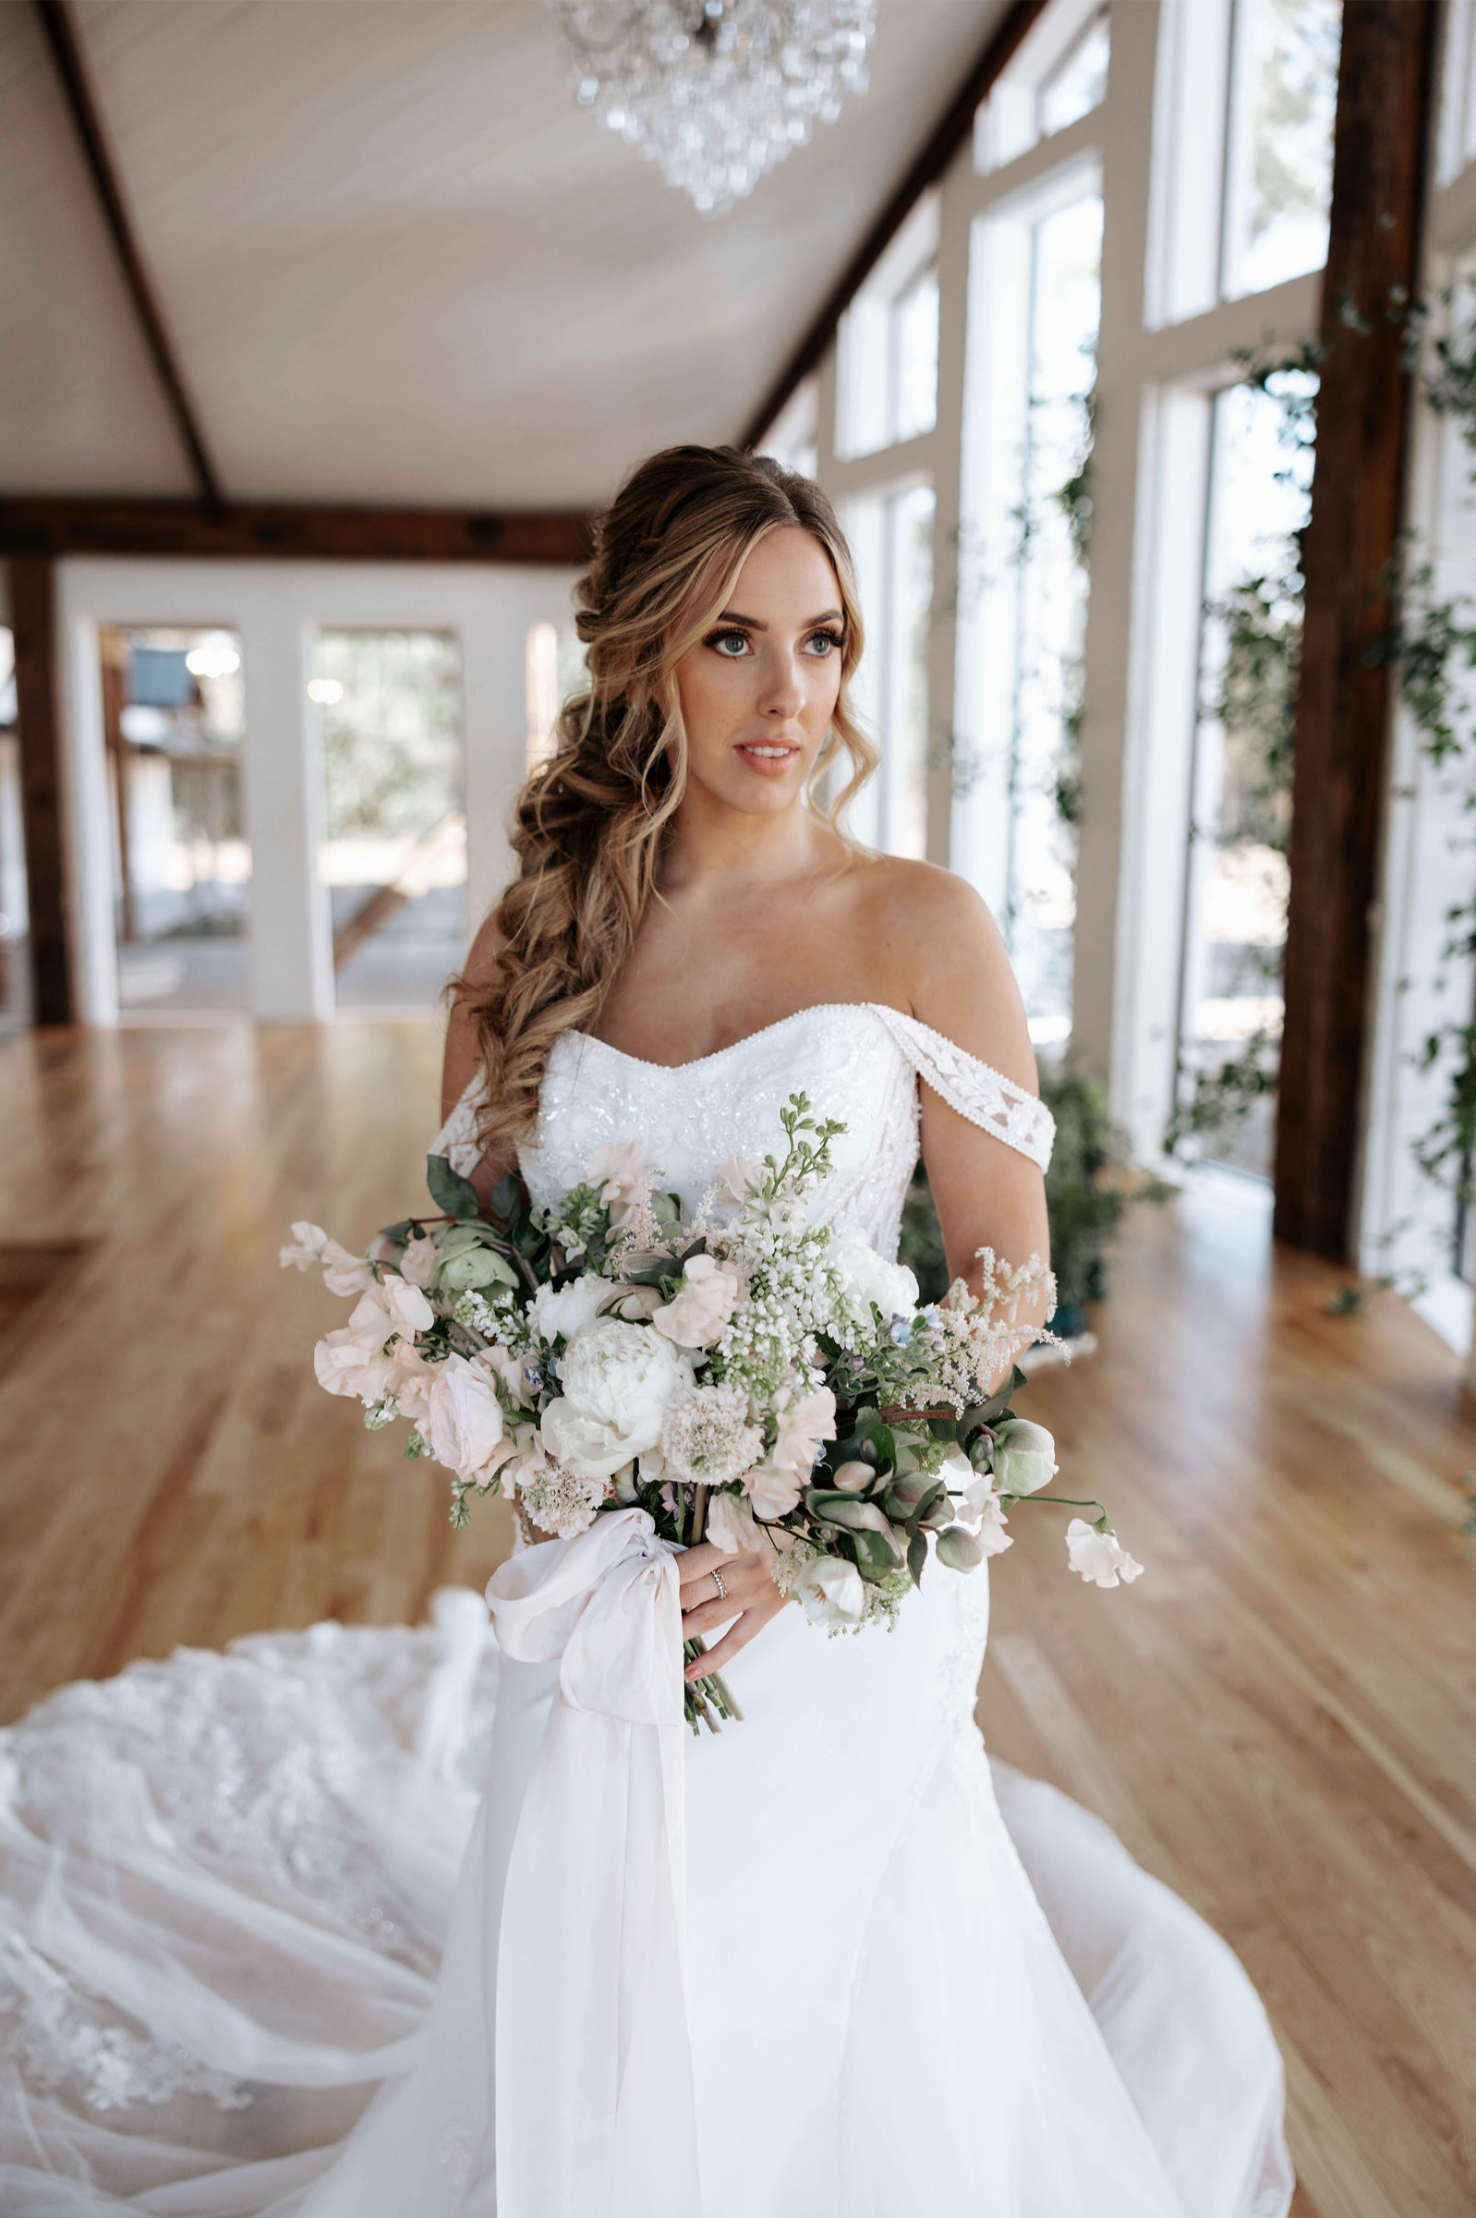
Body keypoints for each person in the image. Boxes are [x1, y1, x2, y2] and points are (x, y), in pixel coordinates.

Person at [0, 446, 1293, 2218]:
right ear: (641, 660)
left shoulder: (921, 925)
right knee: (599, 1941)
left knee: (795, 1955)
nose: (792, 695)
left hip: (838, 1561)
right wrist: (547, 1446)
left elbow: (1008, 1283)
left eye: (822, 641)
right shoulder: (538, 936)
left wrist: (803, 1521)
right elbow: (474, 1259)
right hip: (599, 1557)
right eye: (734, 640)